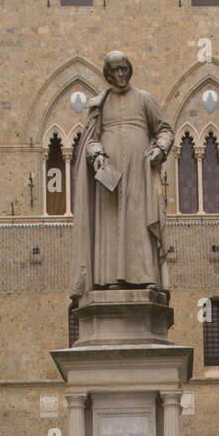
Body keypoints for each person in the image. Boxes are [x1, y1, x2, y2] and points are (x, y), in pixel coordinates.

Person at [70, 51, 174, 300]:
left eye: (124, 69)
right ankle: (109, 280)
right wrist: (97, 155)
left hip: (139, 172)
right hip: (109, 179)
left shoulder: (145, 100)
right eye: (115, 70)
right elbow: (90, 140)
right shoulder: (100, 105)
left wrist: (160, 149)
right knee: (110, 225)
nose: (120, 74)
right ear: (108, 74)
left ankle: (147, 278)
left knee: (139, 220)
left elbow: (165, 130)